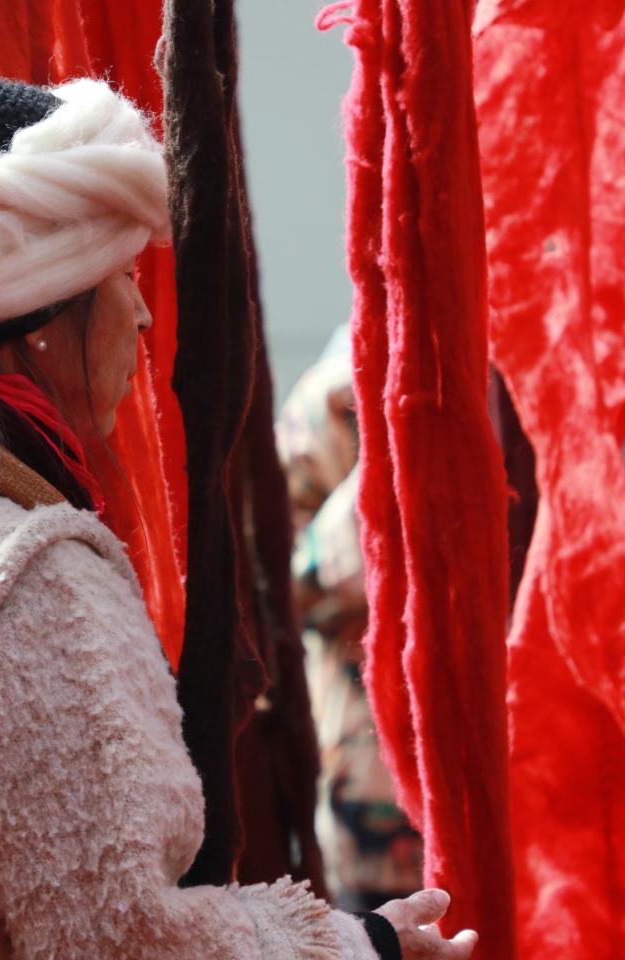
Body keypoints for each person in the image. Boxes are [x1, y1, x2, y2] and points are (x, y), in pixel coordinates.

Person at [0, 77, 477, 960]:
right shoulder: (23, 576)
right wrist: (364, 949)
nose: (145, 311)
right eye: (120, 276)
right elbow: (121, 938)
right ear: (37, 323)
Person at [277, 327, 426, 912]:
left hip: (514, 789)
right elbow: (272, 589)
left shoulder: (518, 370)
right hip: (369, 790)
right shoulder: (334, 400)